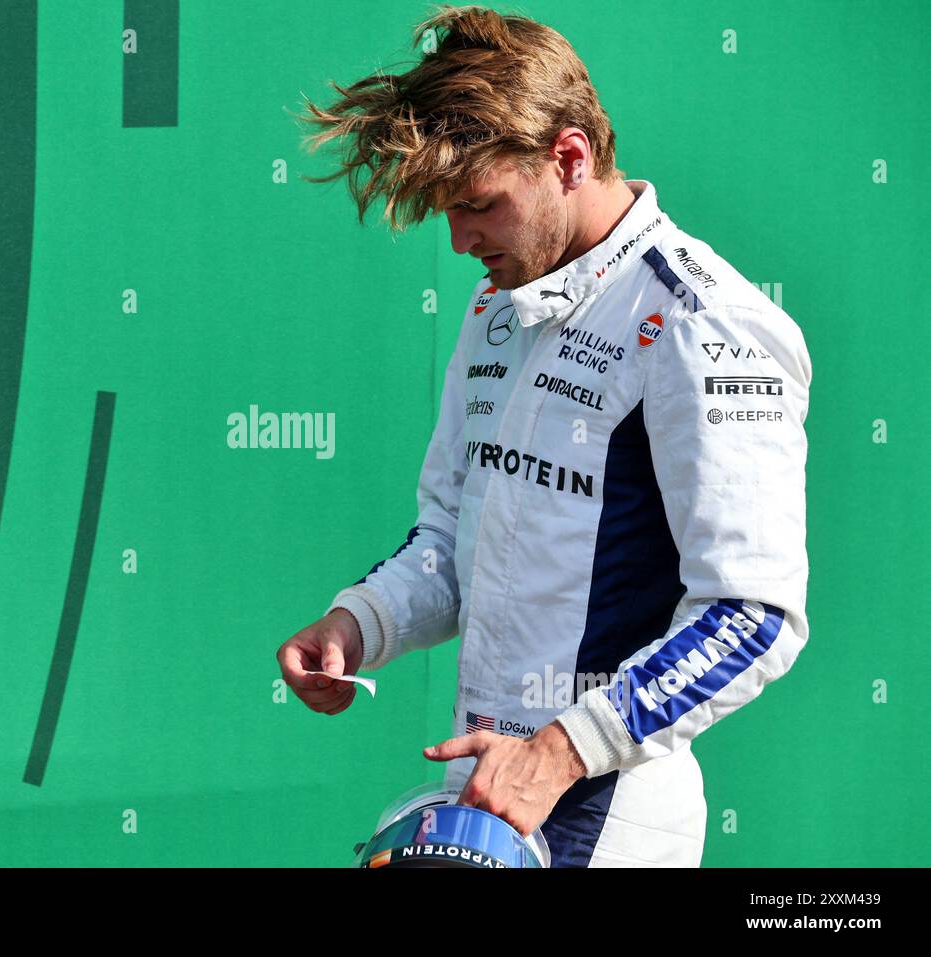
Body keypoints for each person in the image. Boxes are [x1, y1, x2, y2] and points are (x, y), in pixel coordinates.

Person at [275, 4, 812, 867]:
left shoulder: (702, 322)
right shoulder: (498, 309)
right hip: (486, 796)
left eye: (479, 205)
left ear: (569, 157)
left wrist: (559, 752)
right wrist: (357, 623)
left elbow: (754, 614)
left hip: (606, 814)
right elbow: (452, 537)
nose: (458, 241)